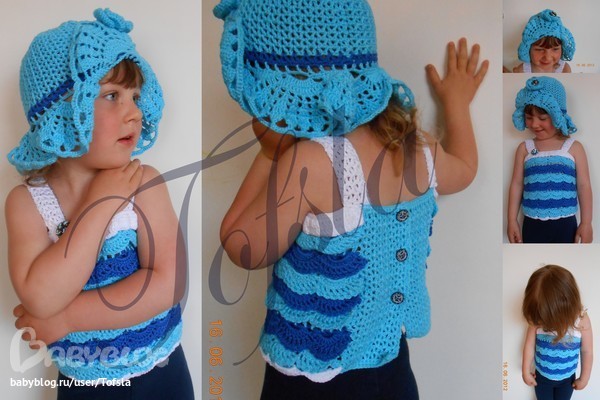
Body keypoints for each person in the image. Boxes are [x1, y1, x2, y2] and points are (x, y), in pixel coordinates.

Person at [214, 0, 488, 398]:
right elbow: (465, 167)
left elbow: (242, 246)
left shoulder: (309, 163)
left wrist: (270, 154)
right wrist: (456, 103)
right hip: (393, 372)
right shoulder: (418, 148)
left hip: (314, 377)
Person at [5, 9, 193, 399]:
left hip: (161, 373)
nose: (134, 113)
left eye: (135, 97)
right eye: (111, 96)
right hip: (83, 385)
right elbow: (40, 297)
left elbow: (168, 284)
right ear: (62, 113)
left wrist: (68, 318)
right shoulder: (28, 204)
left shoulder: (144, 184)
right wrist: (99, 204)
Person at [507, 77, 592, 243]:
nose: (534, 124)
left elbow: (584, 186)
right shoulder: (525, 148)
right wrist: (511, 220)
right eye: (529, 117)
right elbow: (517, 185)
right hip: (531, 224)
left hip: (566, 224)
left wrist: (586, 223)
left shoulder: (574, 148)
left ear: (557, 115)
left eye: (542, 118)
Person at [521, 265, 593, 400]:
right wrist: (525, 371)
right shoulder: (537, 319)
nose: (541, 321)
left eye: (545, 318)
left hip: (567, 380)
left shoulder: (581, 320)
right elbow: (529, 346)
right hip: (542, 378)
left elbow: (587, 351)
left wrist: (584, 378)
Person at [512, 9, 574, 73]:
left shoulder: (564, 69)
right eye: (539, 49)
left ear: (562, 49)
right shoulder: (522, 70)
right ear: (529, 49)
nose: (547, 57)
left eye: (555, 49)